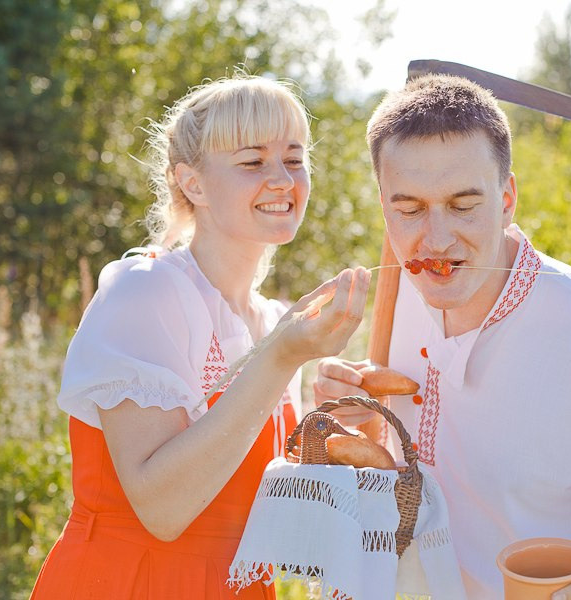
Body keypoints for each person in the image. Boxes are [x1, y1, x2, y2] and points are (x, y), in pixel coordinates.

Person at [314, 75, 571, 599]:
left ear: (507, 197)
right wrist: (360, 422)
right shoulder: (398, 292)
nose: (437, 239)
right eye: (410, 208)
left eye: (464, 205)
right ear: (383, 206)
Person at [31, 76, 370, 599]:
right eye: (252, 162)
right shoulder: (146, 292)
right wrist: (280, 360)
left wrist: (330, 430)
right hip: (135, 582)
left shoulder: (272, 317)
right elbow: (163, 511)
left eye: (295, 159)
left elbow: (257, 507)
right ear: (193, 183)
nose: (282, 179)